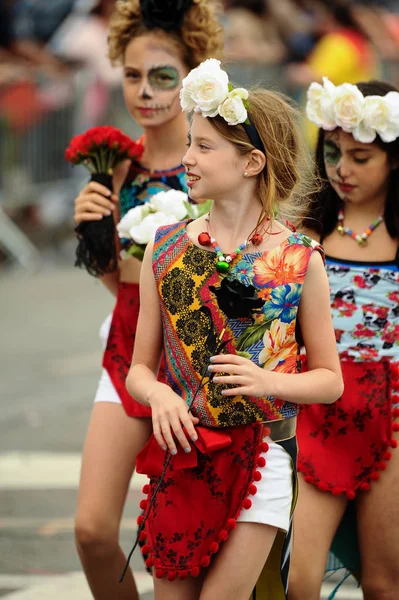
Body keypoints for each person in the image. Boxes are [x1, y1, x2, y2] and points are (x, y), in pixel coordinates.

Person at [126, 59, 343, 600]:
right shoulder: (164, 246)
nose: (187, 158)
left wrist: (270, 382)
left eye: (203, 147)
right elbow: (137, 370)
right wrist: (159, 396)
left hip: (262, 458)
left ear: (251, 163)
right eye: (188, 144)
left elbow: (329, 380)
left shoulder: (299, 259)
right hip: (183, 456)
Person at [72, 2, 223, 599]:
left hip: (199, 362)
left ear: (192, 75)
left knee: (186, 542)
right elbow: (124, 287)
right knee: (90, 530)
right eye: (132, 75)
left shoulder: (213, 161)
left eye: (162, 76)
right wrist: (94, 234)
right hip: (128, 350)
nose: (145, 91)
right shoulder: (115, 166)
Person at [289, 78, 399, 600]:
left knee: (383, 583)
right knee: (300, 579)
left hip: (393, 416)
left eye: (360, 157)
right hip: (320, 409)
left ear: (395, 160)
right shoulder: (306, 234)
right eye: (332, 153)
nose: (342, 169)